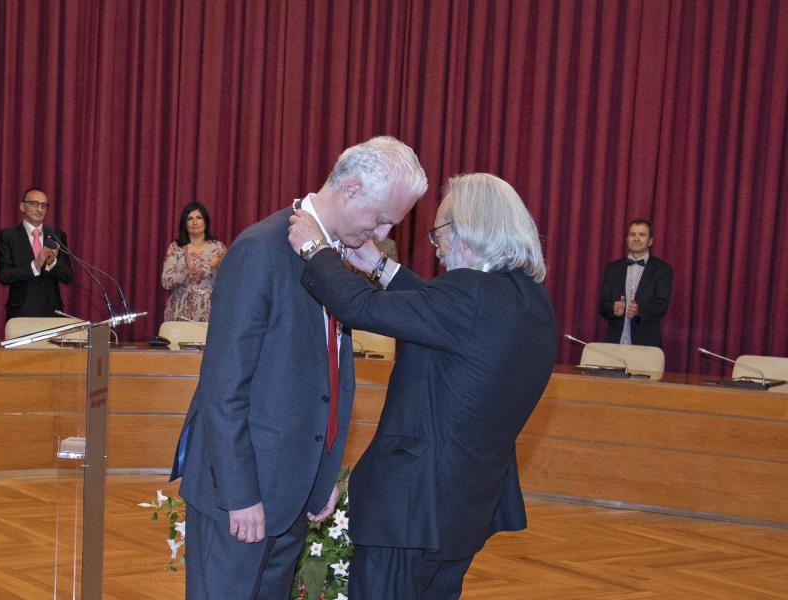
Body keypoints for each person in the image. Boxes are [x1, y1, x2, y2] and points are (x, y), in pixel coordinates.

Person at [170, 136, 427, 599]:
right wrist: (239, 493)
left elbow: (333, 379)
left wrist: (324, 474)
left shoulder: (334, 258)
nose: (384, 235)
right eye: (382, 218)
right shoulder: (260, 250)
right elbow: (223, 387)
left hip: (292, 495)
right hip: (240, 499)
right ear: (350, 190)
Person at [288, 173, 557, 599]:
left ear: (462, 231)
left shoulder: (469, 295)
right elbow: (442, 315)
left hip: (410, 509)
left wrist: (314, 249)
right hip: (463, 510)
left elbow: (359, 307)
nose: (439, 249)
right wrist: (381, 266)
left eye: (439, 236)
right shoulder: (528, 300)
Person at [0, 188, 73, 322]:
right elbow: (4, 275)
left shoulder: (56, 235)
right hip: (21, 313)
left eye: (43, 205)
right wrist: (35, 265)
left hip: (52, 312)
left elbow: (67, 276)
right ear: (22, 206)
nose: (39, 209)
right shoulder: (8, 236)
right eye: (34, 204)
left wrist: (52, 263)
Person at [599, 218, 673, 347]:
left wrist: (639, 310)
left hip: (647, 345)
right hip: (615, 343)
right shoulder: (612, 269)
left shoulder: (662, 269)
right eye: (632, 235)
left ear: (650, 241)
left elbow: (661, 306)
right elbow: (603, 305)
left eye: (642, 235)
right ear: (627, 239)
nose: (636, 238)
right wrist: (614, 309)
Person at [161, 201, 227, 322]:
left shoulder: (218, 248)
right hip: (179, 312)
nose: (195, 222)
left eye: (199, 218)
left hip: (210, 313)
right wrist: (186, 271)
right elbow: (166, 282)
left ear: (206, 221)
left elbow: (229, 283)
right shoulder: (175, 248)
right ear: (184, 224)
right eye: (190, 218)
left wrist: (213, 269)